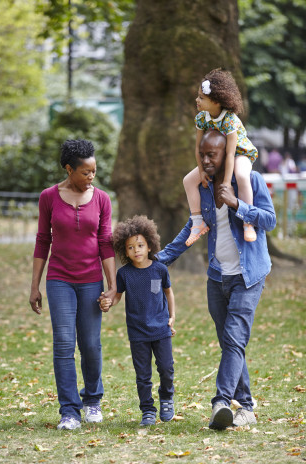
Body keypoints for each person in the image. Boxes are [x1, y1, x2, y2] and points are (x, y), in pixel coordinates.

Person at [157, 130, 276, 430]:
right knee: (230, 344)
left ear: (228, 156)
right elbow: (193, 226)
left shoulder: (252, 181)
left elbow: (269, 220)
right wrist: (159, 260)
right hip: (217, 277)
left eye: (212, 155)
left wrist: (237, 204)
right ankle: (246, 407)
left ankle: (221, 402)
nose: (205, 160)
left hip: (248, 277)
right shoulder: (204, 186)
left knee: (234, 339)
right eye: (202, 153)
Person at [29, 139, 116, 430]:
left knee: (90, 345)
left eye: (94, 171)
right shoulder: (49, 197)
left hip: (92, 279)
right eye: (85, 172)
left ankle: (92, 400)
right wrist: (34, 286)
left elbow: (105, 243)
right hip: (59, 280)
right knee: (64, 344)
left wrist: (113, 285)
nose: (91, 177)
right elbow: (43, 240)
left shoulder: (102, 199)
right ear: (69, 169)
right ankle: (69, 410)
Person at [100, 215, 176, 427]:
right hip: (138, 333)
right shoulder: (124, 274)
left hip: (161, 330)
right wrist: (108, 301)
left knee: (166, 368)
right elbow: (117, 296)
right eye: (131, 247)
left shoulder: (159, 269)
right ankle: (148, 410)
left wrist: (172, 317)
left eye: (140, 245)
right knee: (143, 375)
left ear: (149, 245)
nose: (136, 250)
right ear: (125, 252)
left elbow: (168, 293)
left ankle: (167, 399)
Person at [183, 68, 258, 246]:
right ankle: (197, 221)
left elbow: (231, 153)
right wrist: (201, 171)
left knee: (241, 176)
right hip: (218, 157)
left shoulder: (229, 119)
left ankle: (248, 221)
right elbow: (198, 148)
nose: (197, 100)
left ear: (216, 102)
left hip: (240, 153)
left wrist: (225, 183)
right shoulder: (202, 118)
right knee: (188, 180)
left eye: (201, 97)